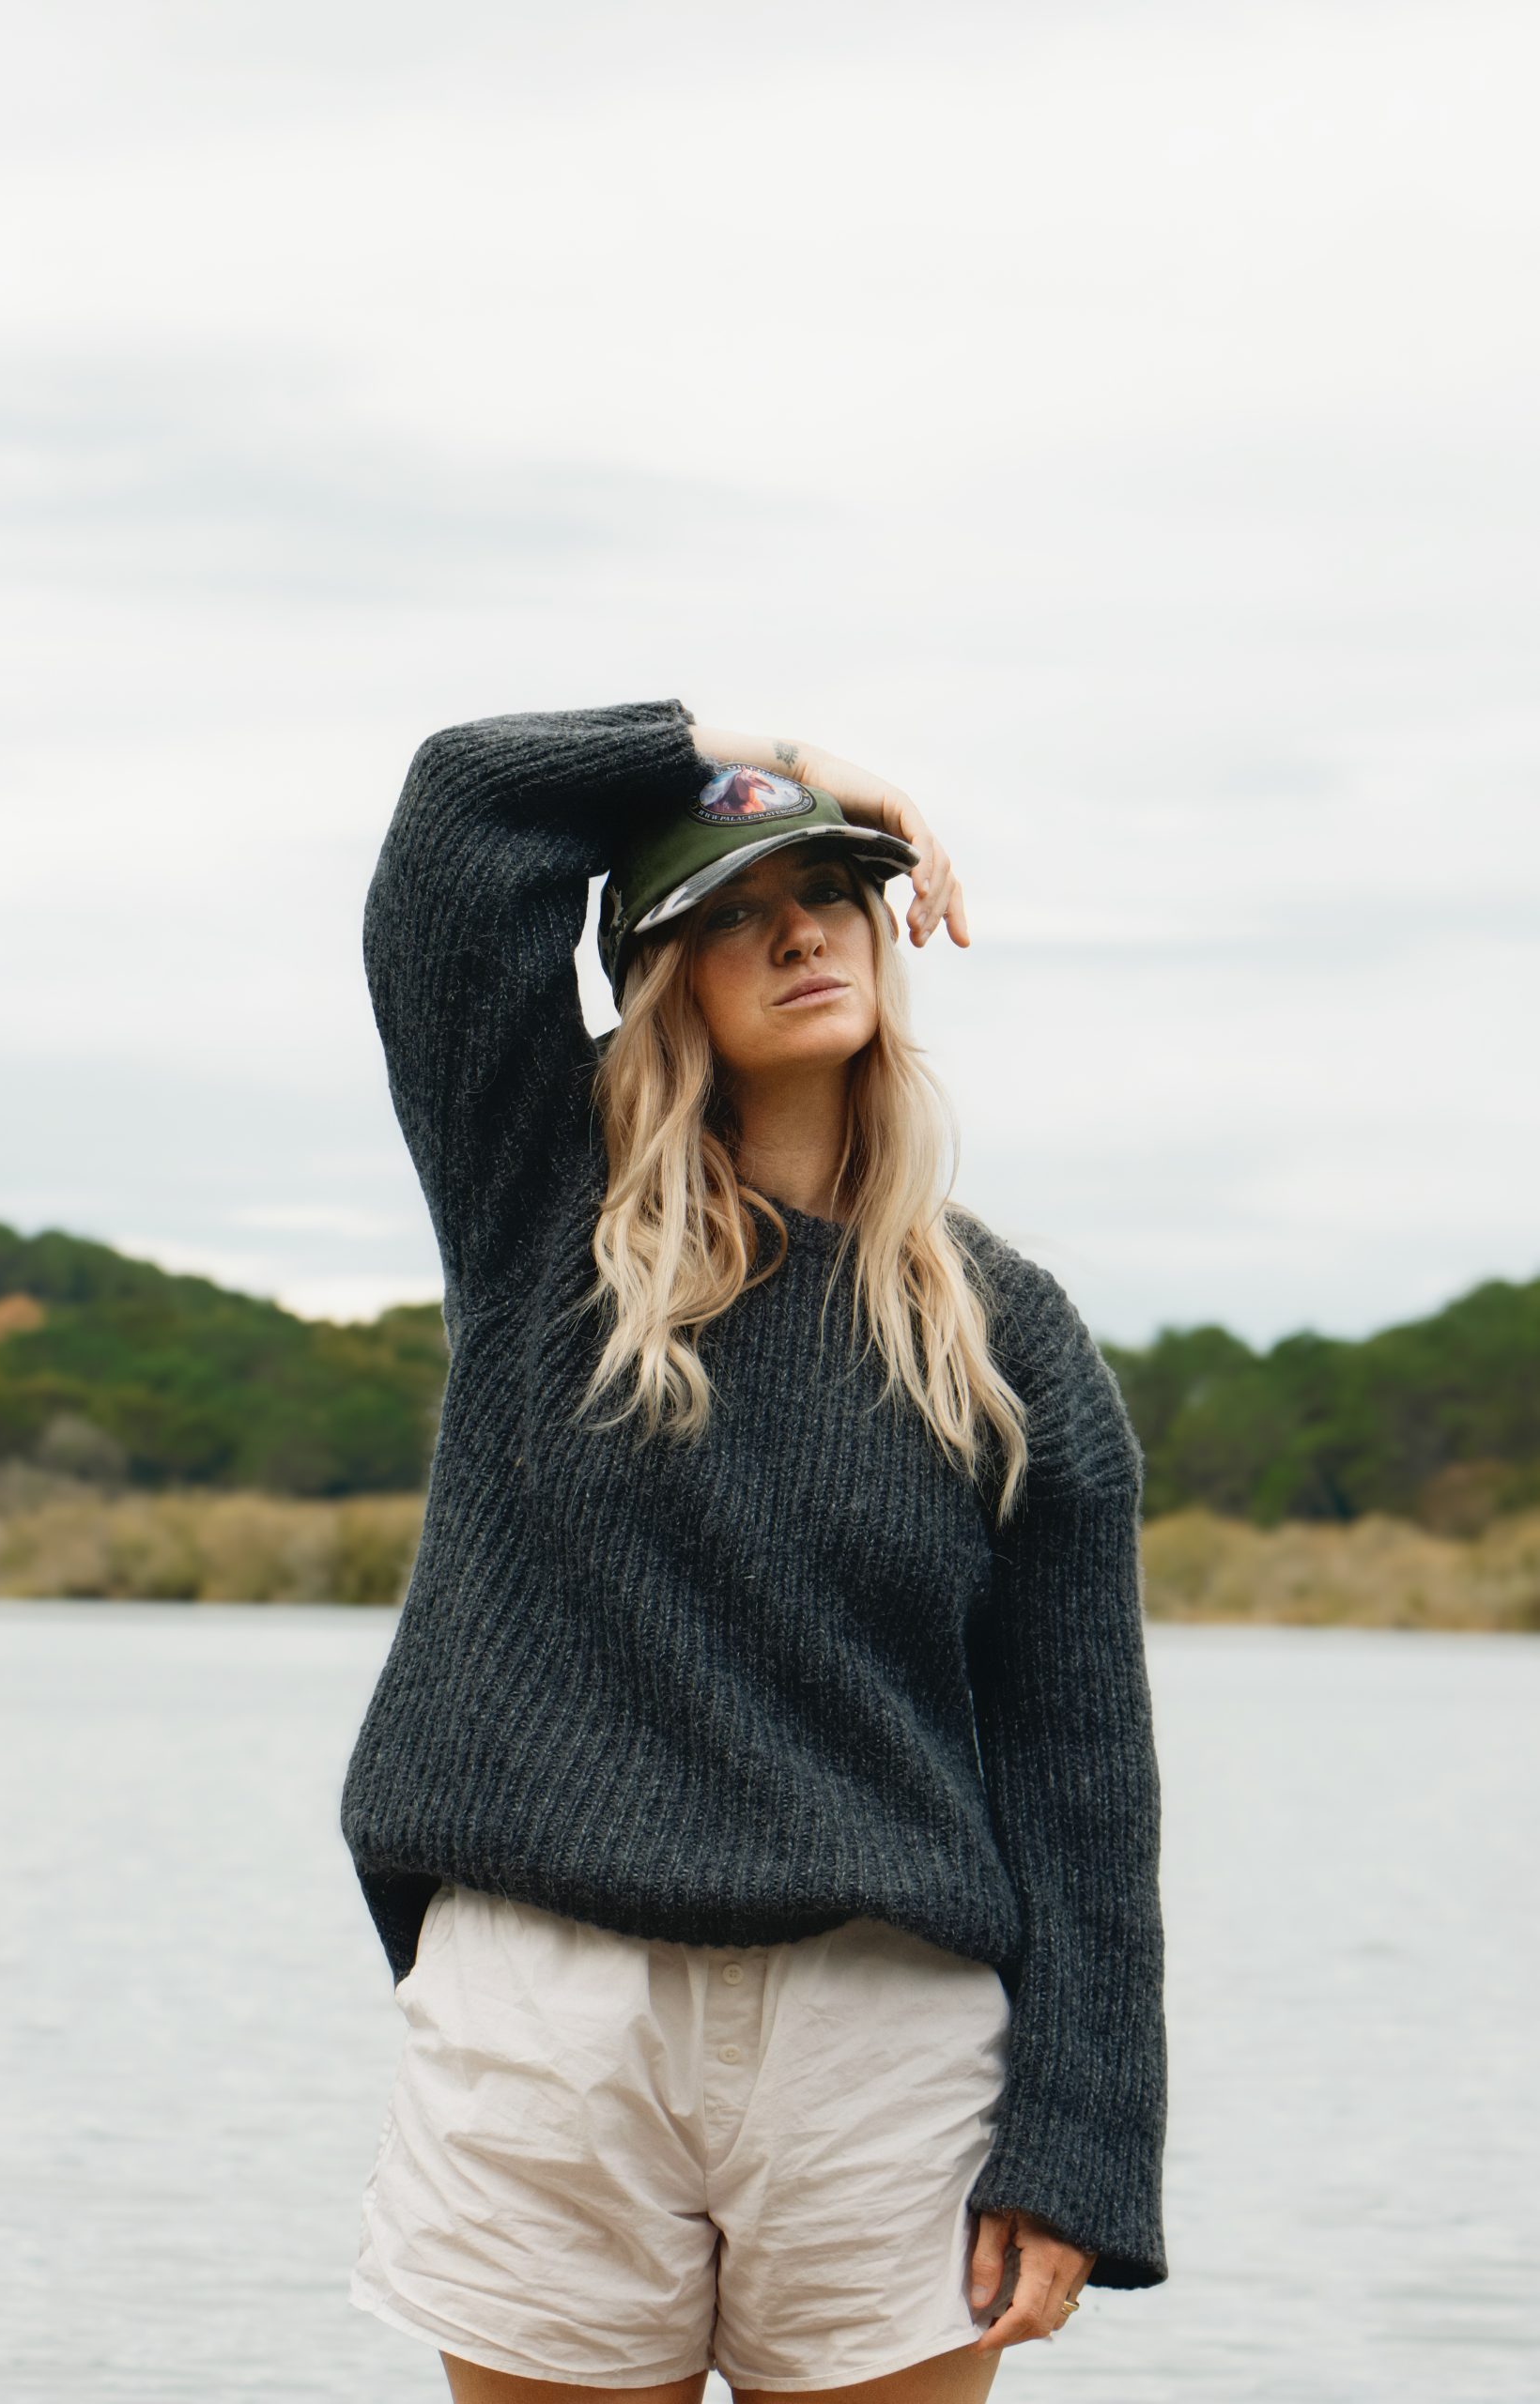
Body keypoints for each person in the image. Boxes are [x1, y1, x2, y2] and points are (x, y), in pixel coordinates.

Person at [341, 699, 1168, 2403]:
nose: (799, 929)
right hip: (552, 2012)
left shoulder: (1006, 1332)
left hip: (884, 2031)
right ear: (662, 976)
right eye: (732, 908)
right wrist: (781, 747)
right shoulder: (537, 1216)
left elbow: (1083, 1778)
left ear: (887, 933)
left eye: (838, 890)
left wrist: (1080, 2144)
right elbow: (460, 810)